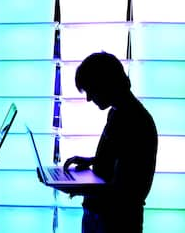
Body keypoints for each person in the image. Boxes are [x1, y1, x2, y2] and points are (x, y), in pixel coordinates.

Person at [62, 52, 158, 233]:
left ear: (106, 83)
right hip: (104, 217)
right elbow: (121, 161)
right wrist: (93, 161)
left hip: (115, 222)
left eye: (91, 89)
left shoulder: (135, 121)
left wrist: (77, 187)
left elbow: (124, 190)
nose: (89, 98)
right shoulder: (119, 113)